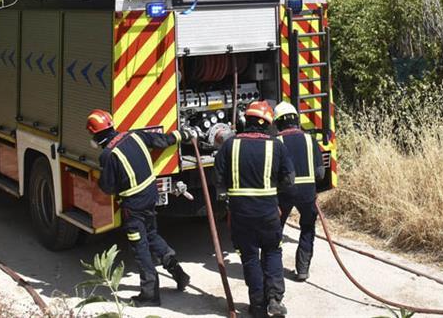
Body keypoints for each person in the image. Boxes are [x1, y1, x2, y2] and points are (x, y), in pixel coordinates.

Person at [89, 109, 194, 307]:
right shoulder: (134, 135)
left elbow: (108, 188)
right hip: (150, 196)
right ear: (111, 125)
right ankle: (179, 274)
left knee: (141, 247)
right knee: (152, 235)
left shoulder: (108, 155)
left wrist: (98, 177)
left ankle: (150, 295)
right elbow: (163, 140)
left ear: (95, 134)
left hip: (133, 205)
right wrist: (184, 135)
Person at [214, 100, 295, 318]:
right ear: (267, 123)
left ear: (244, 121)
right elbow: (288, 180)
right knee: (272, 251)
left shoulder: (230, 145)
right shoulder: (276, 145)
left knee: (250, 257)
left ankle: (257, 306)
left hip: (241, 213)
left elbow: (218, 179)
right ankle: (275, 300)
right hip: (268, 212)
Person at [274, 102, 324, 282]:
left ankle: (274, 269)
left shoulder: (276, 142)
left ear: (278, 122)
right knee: (307, 228)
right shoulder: (310, 139)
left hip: (284, 193)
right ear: (296, 120)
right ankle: (302, 269)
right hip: (307, 193)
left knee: (276, 229)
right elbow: (320, 172)